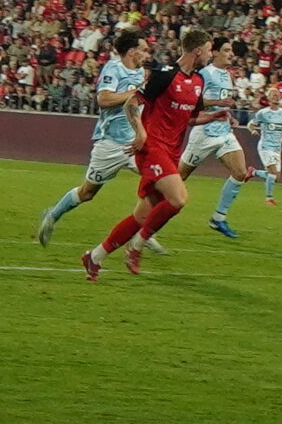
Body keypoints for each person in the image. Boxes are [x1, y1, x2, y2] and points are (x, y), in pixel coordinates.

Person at [84, 28, 214, 281]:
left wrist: (216, 116)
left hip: (172, 151)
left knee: (141, 216)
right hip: (153, 148)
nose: (211, 55)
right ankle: (137, 245)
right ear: (198, 50)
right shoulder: (164, 75)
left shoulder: (198, 81)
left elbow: (191, 117)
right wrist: (140, 133)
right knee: (178, 199)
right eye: (209, 50)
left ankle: (95, 256)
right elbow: (132, 102)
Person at [35, 31, 147, 246]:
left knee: (160, 182)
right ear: (132, 51)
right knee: (87, 193)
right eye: (143, 49)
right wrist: (134, 93)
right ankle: (52, 215)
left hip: (136, 142)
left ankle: (141, 230)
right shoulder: (114, 68)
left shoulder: (141, 72)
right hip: (111, 143)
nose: (146, 54)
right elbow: (104, 99)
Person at [180, 42, 262, 238]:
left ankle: (218, 218)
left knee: (240, 172)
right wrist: (216, 103)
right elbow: (193, 102)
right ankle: (146, 220)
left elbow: (222, 103)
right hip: (204, 133)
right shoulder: (205, 74)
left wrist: (229, 116)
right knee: (177, 178)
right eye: (226, 50)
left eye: (231, 50)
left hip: (224, 132)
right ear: (214, 52)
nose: (231, 54)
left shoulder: (227, 75)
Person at [248, 98, 282, 206]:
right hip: (265, 146)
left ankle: (253, 172)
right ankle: (269, 198)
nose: (275, 95)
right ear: (270, 99)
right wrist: (253, 130)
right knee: (272, 173)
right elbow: (250, 124)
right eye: (273, 94)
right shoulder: (262, 113)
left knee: (276, 177)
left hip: (277, 148)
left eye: (277, 94)